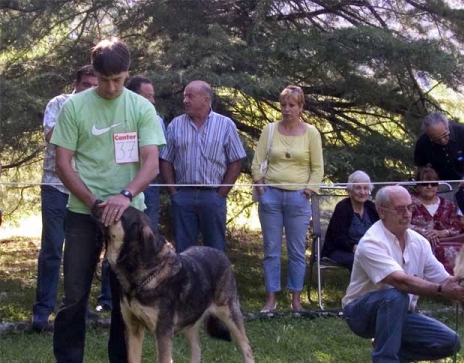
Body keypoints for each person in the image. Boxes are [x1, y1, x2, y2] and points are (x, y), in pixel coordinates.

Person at [47, 38, 165, 363]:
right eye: (104, 79)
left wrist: (125, 196)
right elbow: (63, 163)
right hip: (84, 212)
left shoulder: (141, 108)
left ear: (127, 73)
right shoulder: (74, 107)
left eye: (118, 79)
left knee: (126, 296)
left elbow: (151, 163)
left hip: (131, 216)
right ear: (94, 74)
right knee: (75, 294)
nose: (111, 87)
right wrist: (94, 202)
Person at [342, 185, 464, 363]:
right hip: (360, 314)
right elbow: (400, 282)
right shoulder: (371, 242)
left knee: (450, 342)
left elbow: (443, 277)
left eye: (410, 207)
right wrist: (440, 290)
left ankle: (393, 351)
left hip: (401, 311)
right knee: (396, 295)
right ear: (381, 212)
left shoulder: (419, 242)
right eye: (400, 209)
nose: (407, 214)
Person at [32, 65, 113, 331]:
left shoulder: (100, 107)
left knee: (84, 253)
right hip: (56, 188)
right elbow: (54, 137)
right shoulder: (59, 103)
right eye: (86, 84)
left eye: (94, 84)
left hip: (86, 191)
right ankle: (42, 314)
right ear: (75, 84)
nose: (90, 89)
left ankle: (82, 309)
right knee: (52, 250)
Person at [251, 85, 324, 312]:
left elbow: (318, 168)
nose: (287, 109)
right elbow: (256, 163)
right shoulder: (269, 129)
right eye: (283, 105)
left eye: (292, 105)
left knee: (296, 251)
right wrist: (261, 188)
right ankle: (271, 299)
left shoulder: (311, 132)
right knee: (271, 249)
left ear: (301, 107)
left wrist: (308, 191)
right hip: (271, 195)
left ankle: (296, 300)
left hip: (298, 198)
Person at [160, 80, 246, 253]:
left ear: (206, 100)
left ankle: (215, 281)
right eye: (184, 96)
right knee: (184, 253)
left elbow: (235, 161)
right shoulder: (176, 125)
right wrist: (174, 193)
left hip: (212, 197)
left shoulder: (225, 125)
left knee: (215, 251)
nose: (185, 100)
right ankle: (187, 282)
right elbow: (165, 160)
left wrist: (221, 194)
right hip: (183, 197)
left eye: (190, 96)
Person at [125, 75, 167, 232]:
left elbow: (159, 154)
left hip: (148, 184)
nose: (153, 101)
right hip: (119, 181)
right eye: (148, 96)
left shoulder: (156, 120)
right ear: (134, 96)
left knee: (148, 230)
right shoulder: (117, 117)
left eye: (153, 96)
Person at [410, 166, 464, 274]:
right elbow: (402, 223)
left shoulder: (448, 205)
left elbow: (457, 227)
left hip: (447, 243)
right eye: (425, 184)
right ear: (418, 186)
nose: (429, 187)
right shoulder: (409, 203)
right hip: (418, 243)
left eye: (433, 183)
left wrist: (442, 232)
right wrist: (424, 232)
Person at [321, 170, 379, 270]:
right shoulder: (342, 208)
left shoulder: (371, 207)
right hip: (340, 250)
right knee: (361, 260)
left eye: (366, 188)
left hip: (368, 250)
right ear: (350, 190)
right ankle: (362, 285)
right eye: (358, 188)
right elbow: (338, 238)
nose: (362, 192)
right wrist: (355, 248)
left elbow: (380, 230)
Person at [414, 113, 464, 184]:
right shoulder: (423, 142)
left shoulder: (463, 133)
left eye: (445, 135)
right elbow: (420, 168)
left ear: (447, 127)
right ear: (428, 135)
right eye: (437, 139)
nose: (442, 141)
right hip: (440, 186)